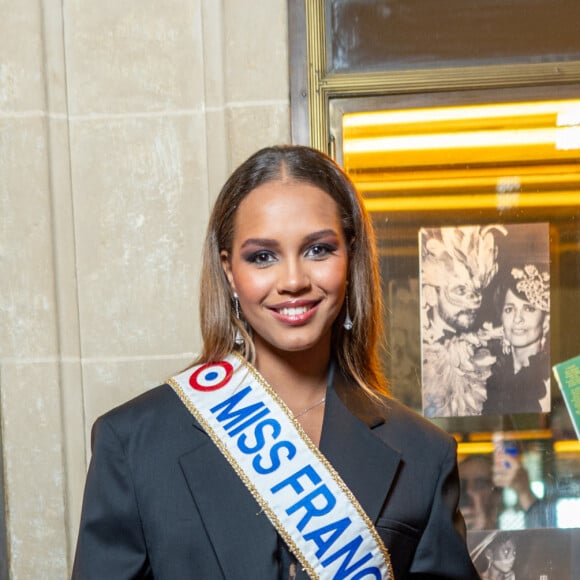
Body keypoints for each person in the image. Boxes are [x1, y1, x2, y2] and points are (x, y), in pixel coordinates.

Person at [72, 145, 478, 579]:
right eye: (262, 256)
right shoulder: (134, 444)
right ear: (229, 270)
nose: (293, 281)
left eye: (319, 250)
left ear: (350, 257)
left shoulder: (421, 454)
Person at [420, 225, 506, 417]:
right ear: (431, 293)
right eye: (460, 291)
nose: (473, 303)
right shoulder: (418, 355)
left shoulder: (491, 349)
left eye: (477, 291)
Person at [483, 264, 550, 415]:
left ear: (546, 322)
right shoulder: (489, 376)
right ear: (501, 319)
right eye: (509, 309)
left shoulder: (552, 381)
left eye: (529, 308)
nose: (517, 319)